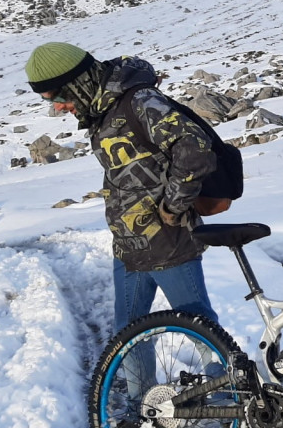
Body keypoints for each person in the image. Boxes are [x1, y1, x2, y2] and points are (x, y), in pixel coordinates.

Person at [25, 41, 220, 334]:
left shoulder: (139, 101)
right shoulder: (98, 110)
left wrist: (172, 206)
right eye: (47, 100)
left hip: (170, 242)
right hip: (128, 247)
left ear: (79, 81)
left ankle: (228, 381)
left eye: (59, 95)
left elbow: (194, 149)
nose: (58, 107)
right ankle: (138, 384)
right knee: (128, 337)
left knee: (202, 332)